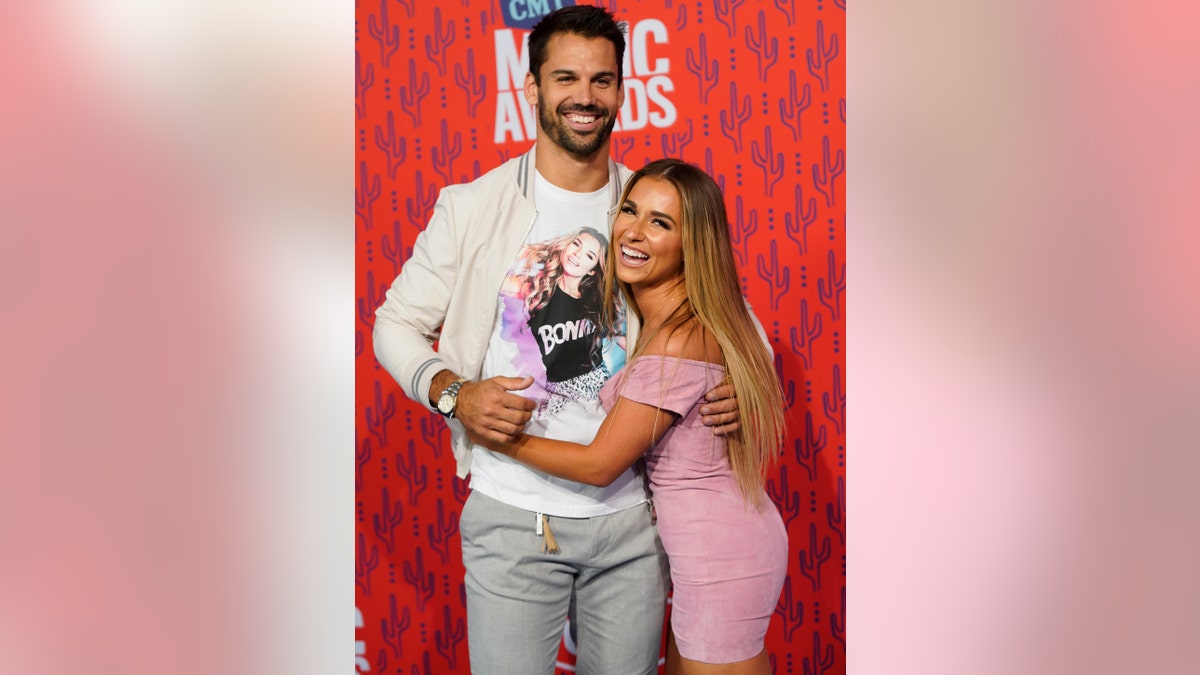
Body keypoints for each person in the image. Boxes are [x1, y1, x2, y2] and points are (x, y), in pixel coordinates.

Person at [372, 7, 744, 674]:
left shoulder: (647, 202)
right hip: (513, 513)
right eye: (566, 77)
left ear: (622, 92)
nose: (585, 97)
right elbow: (393, 324)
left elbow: (730, 323)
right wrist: (453, 392)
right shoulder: (475, 206)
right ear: (533, 88)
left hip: (634, 521)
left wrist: (736, 389)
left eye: (602, 80)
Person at [470, 159, 788, 675]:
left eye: (661, 223)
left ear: (693, 244)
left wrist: (492, 435)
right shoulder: (664, 314)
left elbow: (600, 464)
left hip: (720, 554)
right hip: (706, 550)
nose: (634, 232)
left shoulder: (681, 333)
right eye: (630, 211)